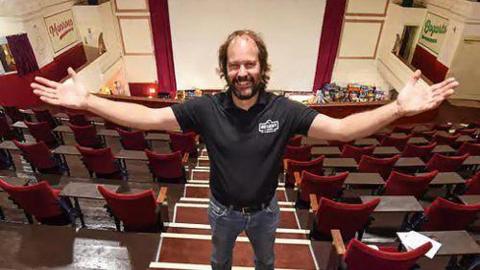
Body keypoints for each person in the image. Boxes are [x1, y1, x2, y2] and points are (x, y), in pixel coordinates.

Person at [31, 29, 458, 269]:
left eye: (249, 64)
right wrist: (87, 101)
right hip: (219, 210)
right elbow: (146, 118)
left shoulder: (285, 111)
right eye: (234, 65)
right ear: (225, 69)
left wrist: (399, 108)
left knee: (266, 262)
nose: (242, 72)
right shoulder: (204, 109)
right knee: (218, 262)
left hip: (267, 211)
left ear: (262, 67)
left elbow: (344, 130)